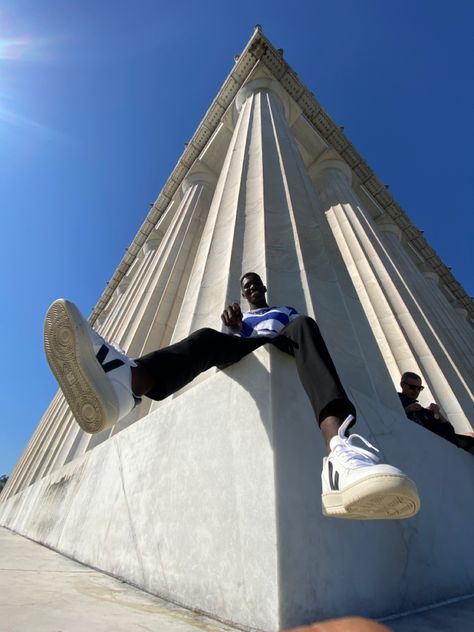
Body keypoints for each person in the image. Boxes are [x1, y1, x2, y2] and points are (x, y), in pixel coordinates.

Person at [44, 272, 420, 520]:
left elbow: (295, 334)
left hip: (283, 340)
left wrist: (279, 326)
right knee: (207, 338)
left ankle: (340, 452)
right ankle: (130, 383)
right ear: (243, 293)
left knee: (305, 323)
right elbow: (231, 344)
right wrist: (232, 327)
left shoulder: (284, 312)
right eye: (247, 285)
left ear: (264, 289)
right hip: (247, 343)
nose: (252, 288)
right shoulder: (240, 320)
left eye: (256, 283)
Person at [398, 372, 474, 453]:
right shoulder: (397, 401)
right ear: (403, 385)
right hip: (433, 448)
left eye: (419, 388)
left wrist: (438, 413)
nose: (416, 391)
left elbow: (449, 430)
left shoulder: (423, 411)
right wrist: (407, 410)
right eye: (412, 387)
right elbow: (393, 421)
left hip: (452, 446)